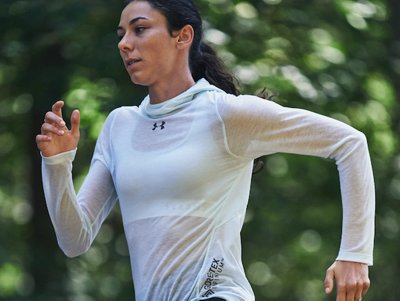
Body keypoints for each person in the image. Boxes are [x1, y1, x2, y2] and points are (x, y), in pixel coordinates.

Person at [36, 0, 375, 300]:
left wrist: (355, 255)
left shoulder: (225, 113)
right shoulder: (120, 126)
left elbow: (349, 143)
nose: (125, 44)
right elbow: (74, 239)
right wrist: (57, 163)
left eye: (139, 29)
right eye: (121, 34)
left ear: (182, 36)